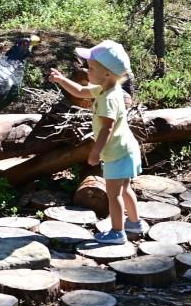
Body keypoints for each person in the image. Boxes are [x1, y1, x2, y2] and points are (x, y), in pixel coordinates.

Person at [49, 40, 144, 245]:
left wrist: (95, 152)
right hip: (125, 148)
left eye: (91, 68)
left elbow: (107, 128)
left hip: (117, 153)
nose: (86, 70)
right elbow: (81, 92)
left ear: (107, 73)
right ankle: (135, 224)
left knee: (113, 194)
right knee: (125, 189)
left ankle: (117, 233)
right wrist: (62, 79)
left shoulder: (109, 98)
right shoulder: (105, 88)